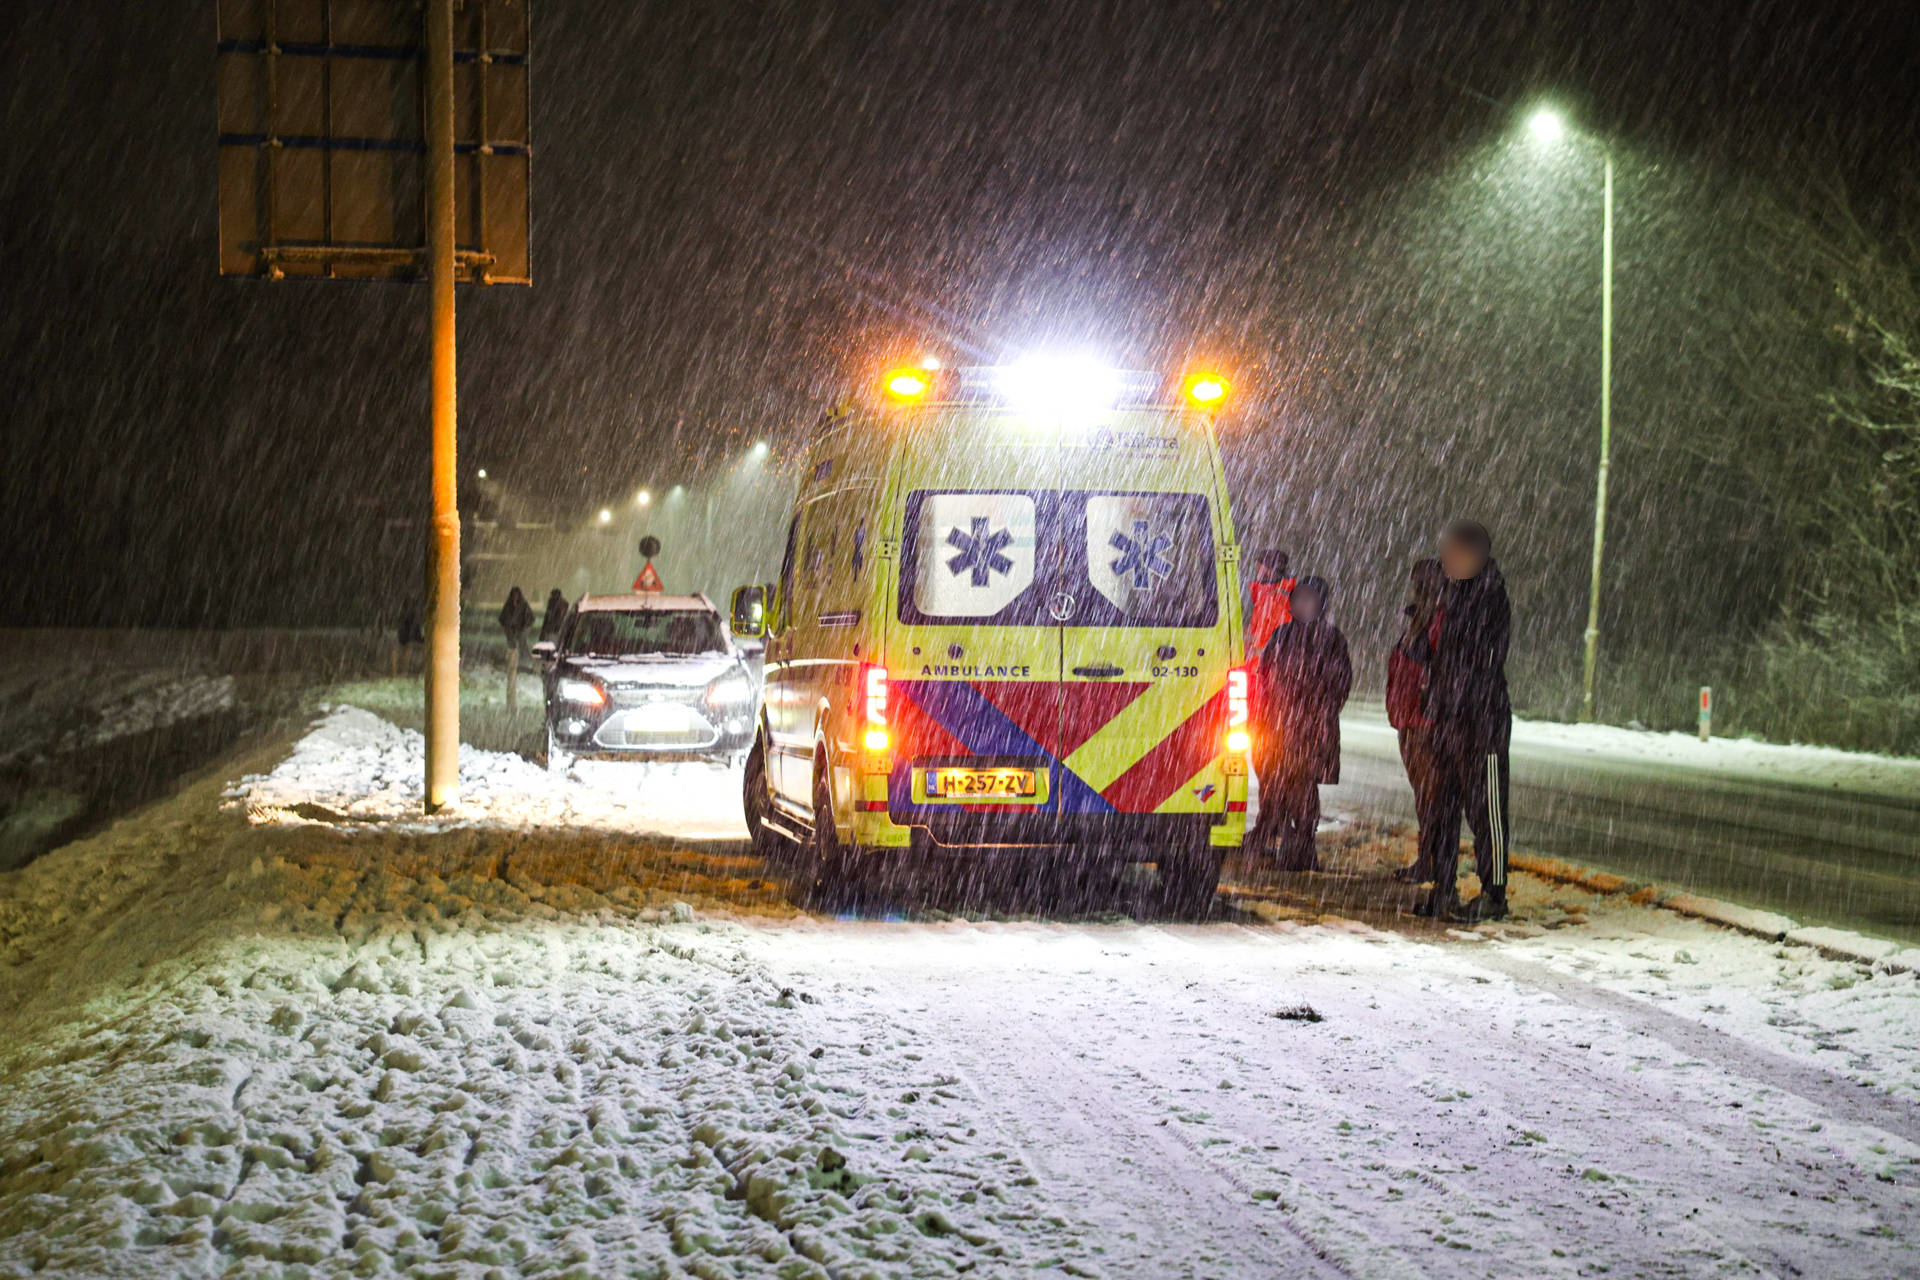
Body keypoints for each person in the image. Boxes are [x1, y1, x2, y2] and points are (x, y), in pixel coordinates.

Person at [1415, 521, 1513, 922]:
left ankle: (1494, 894)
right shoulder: (1450, 596)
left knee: (1486, 812)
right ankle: (1443, 886)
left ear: (1475, 556)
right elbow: (1432, 655)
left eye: (1454, 553)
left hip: (1481, 723)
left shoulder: (1490, 599)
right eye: (1445, 552)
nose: (1446, 559)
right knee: (1442, 810)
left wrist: (1458, 694)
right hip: (1447, 720)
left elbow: (1484, 660)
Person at [1253, 575, 1352, 871]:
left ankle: (1305, 846)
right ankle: (1283, 839)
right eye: (1299, 599)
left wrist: (1318, 712)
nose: (1304, 605)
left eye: (1311, 599)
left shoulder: (1331, 639)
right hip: (1278, 726)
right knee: (1275, 783)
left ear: (1322, 604)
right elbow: (1266, 677)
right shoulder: (1281, 635)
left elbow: (1339, 683)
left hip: (1310, 729)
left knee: (1303, 789)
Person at [1387, 557, 1447, 884]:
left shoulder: (1436, 622)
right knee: (1425, 798)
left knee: (1430, 798)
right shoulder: (1421, 621)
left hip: (1422, 721)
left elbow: (1427, 669)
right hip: (1411, 720)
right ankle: (1430, 859)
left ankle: (1432, 861)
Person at [1245, 549, 1296, 652]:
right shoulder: (1263, 595)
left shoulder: (1278, 597)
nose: (1258, 571)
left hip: (1267, 660)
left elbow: (1277, 636)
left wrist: (1257, 651)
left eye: (1260, 567)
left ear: (1271, 570)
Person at [499, 586, 535, 659]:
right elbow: (502, 617)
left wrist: (524, 626)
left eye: (516, 594)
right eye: (513, 595)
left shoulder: (524, 605)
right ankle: (513, 659)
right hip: (510, 629)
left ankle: (525, 659)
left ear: (519, 595)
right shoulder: (508, 605)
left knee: (522, 643)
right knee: (512, 644)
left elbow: (531, 617)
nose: (515, 596)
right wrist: (506, 625)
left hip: (521, 628)